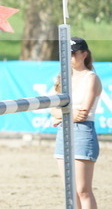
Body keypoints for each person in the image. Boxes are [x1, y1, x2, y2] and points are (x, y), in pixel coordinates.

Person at [52, 36, 102, 209]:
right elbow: (52, 110)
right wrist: (67, 114)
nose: (69, 57)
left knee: (83, 190)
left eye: (72, 54)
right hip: (63, 132)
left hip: (82, 132)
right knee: (70, 191)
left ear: (84, 54)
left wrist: (61, 115)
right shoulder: (62, 78)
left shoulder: (91, 78)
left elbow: (82, 114)